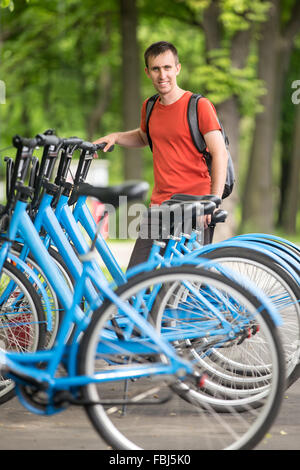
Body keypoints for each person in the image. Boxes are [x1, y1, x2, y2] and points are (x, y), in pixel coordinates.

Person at [94, 41, 228, 269]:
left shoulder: (199, 106)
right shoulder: (149, 107)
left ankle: (227, 302)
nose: (162, 75)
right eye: (156, 69)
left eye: (167, 67)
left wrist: (212, 202)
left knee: (184, 284)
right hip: (160, 207)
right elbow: (144, 136)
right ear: (147, 72)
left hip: (195, 206)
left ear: (178, 68)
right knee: (136, 278)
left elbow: (220, 154)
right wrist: (116, 136)